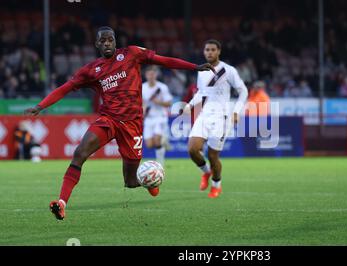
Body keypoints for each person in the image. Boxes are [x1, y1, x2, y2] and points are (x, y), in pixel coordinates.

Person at [24, 26, 214, 220]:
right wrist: (41, 106)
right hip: (109, 120)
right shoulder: (91, 70)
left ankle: (151, 182)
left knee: (130, 182)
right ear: (97, 44)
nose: (107, 43)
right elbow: (65, 88)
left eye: (110, 40)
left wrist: (194, 67)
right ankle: (62, 203)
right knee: (80, 153)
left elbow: (163, 60)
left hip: (132, 125)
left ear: (115, 41)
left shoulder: (131, 54)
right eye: (103, 41)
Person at [181, 39, 248, 198]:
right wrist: (190, 105)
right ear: (204, 52)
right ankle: (206, 172)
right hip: (205, 114)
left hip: (222, 118)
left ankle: (216, 184)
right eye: (207, 50)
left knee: (212, 156)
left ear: (219, 51)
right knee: (192, 149)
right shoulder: (202, 71)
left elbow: (243, 91)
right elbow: (201, 93)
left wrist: (237, 111)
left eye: (212, 50)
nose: (209, 52)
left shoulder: (228, 70)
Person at [142, 65, 172, 166]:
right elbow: (141, 102)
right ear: (146, 75)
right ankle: (164, 141)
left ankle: (160, 164)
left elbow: (168, 103)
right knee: (149, 145)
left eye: (153, 74)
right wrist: (143, 108)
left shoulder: (162, 87)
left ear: (156, 75)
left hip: (160, 117)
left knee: (157, 141)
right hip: (149, 119)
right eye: (149, 74)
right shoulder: (142, 87)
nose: (151, 76)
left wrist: (158, 101)